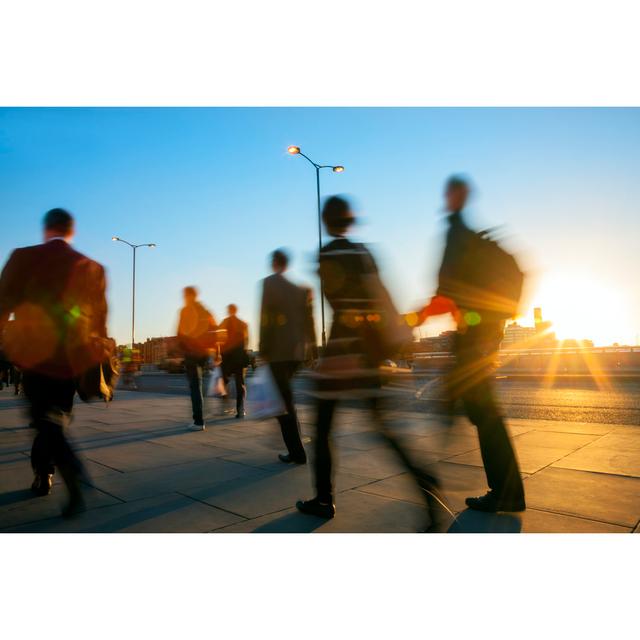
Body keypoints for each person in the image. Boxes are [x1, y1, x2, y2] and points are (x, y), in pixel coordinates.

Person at [296, 196, 447, 527]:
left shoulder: (327, 255)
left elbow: (340, 307)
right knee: (386, 429)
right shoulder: (365, 254)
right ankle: (425, 483)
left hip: (342, 354)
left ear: (326, 221)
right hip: (368, 355)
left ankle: (324, 499)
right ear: (350, 221)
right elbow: (384, 300)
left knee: (322, 430)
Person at [414, 176, 526, 513]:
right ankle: (505, 489)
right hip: (484, 331)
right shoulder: (469, 235)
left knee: (484, 412)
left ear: (455, 196)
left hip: (474, 334)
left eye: (450, 192)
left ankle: (505, 491)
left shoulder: (458, 234)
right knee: (482, 409)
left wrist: (413, 319)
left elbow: (446, 289)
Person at [0, 208, 109, 517]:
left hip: (33, 354)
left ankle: (64, 472)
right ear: (71, 231)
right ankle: (44, 473)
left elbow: (3, 303)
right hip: (71, 359)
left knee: (43, 419)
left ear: (46, 229)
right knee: (56, 416)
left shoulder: (22, 257)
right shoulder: (92, 267)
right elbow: (99, 318)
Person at [259, 248, 317, 464]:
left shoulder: (269, 283)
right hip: (297, 353)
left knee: (283, 404)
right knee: (286, 400)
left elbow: (266, 317)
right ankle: (295, 448)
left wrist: (264, 348)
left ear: (274, 263)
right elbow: (310, 322)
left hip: (278, 352)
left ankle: (296, 452)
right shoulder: (301, 289)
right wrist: (312, 351)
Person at [177, 286, 216, 430]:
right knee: (199, 384)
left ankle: (198, 421)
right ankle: (201, 415)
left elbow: (180, 333)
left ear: (188, 296)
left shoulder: (185, 310)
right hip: (204, 353)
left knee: (195, 385)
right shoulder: (206, 311)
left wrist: (182, 349)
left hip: (192, 353)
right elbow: (215, 330)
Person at [219, 304, 249, 418]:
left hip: (227, 358)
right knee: (239, 384)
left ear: (229, 310)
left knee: (223, 382)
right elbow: (246, 342)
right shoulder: (243, 324)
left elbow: (220, 340)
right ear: (236, 311)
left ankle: (225, 406)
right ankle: (240, 410)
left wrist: (220, 354)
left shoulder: (224, 323)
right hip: (239, 359)